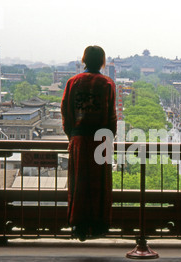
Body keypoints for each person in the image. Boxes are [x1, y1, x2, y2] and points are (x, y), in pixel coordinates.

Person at [61, 45, 117, 241]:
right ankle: (99, 223)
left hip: (78, 139)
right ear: (102, 62)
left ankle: (79, 225)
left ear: (84, 60)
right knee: (100, 182)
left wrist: (73, 135)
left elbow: (66, 112)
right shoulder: (107, 84)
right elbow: (111, 116)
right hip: (101, 140)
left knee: (78, 182)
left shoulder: (72, 82)